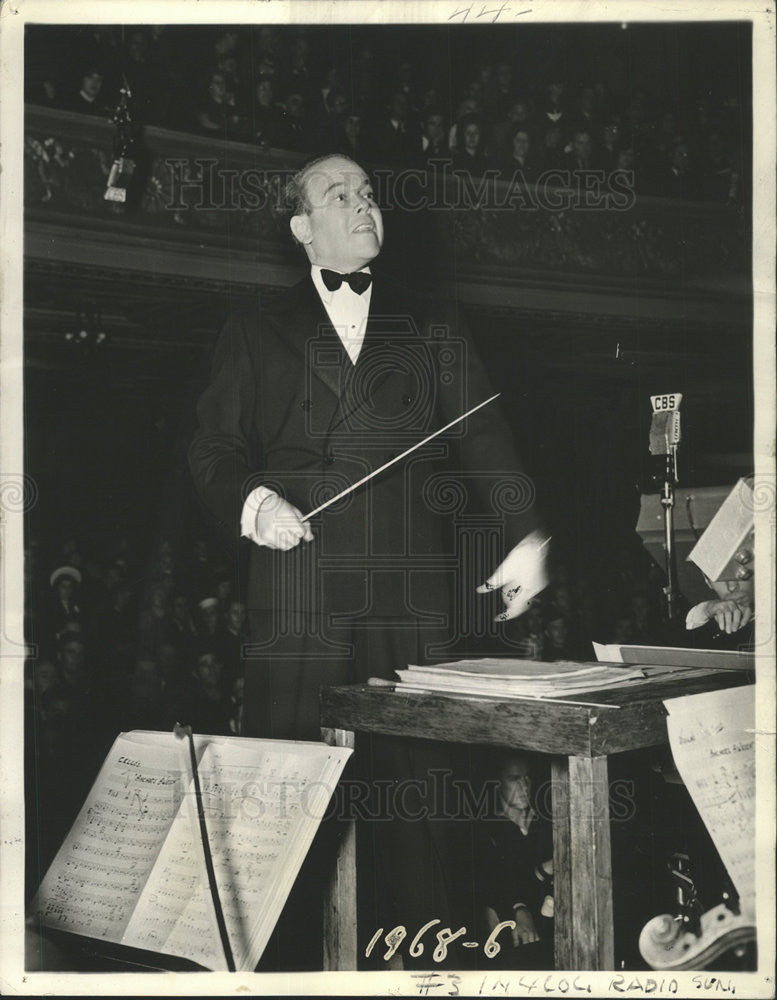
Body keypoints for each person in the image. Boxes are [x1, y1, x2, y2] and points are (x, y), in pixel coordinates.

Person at [188, 152, 549, 962]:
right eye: (337, 194)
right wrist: (255, 504)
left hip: (407, 595)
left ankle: (423, 960)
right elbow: (211, 453)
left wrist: (526, 536)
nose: (361, 204)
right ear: (301, 228)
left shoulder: (431, 324)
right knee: (295, 797)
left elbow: (485, 437)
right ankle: (280, 969)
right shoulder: (253, 330)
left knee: (416, 795)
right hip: (298, 593)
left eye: (368, 193)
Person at [475, 750, 554, 969]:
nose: (524, 785)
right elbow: (491, 885)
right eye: (514, 779)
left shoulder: (547, 819)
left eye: (527, 777)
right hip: (515, 935)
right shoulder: (485, 829)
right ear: (497, 782)